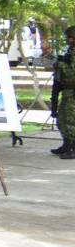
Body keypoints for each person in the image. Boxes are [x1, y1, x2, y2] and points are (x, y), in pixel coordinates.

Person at [50, 26, 75, 158]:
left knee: (71, 122)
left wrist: (61, 64)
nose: (68, 40)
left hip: (73, 93)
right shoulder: (69, 52)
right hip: (66, 92)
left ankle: (73, 148)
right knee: (61, 120)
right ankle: (67, 144)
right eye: (68, 38)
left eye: (71, 38)